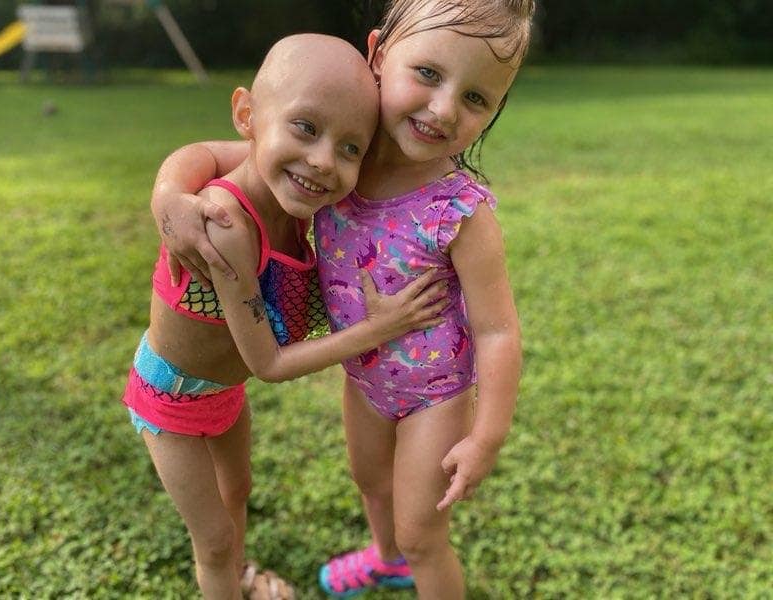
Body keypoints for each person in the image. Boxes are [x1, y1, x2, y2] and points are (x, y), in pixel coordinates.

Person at [151, 1, 532, 597]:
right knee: (372, 484)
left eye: (476, 98)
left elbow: (498, 330)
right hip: (364, 379)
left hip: (434, 393)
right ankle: (385, 560)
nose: (442, 109)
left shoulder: (458, 211)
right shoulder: (339, 155)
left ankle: (408, 557)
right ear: (378, 55)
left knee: (423, 534)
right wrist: (168, 193)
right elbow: (223, 151)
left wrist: (486, 436)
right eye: (428, 73)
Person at [124, 33, 450, 600]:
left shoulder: (289, 188)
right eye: (305, 127)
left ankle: (237, 579)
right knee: (214, 540)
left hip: (223, 392)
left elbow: (210, 151)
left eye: (350, 148)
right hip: (170, 399)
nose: (323, 160)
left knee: (237, 491)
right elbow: (269, 363)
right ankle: (226, 576)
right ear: (247, 116)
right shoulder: (227, 225)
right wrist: (379, 328)